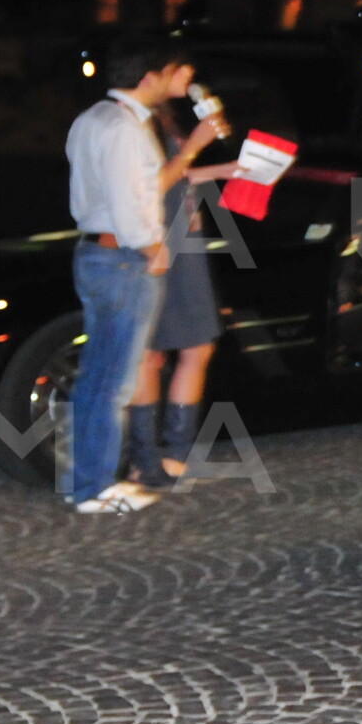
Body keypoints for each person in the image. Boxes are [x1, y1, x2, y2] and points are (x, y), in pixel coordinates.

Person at [63, 42, 217, 515]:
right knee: (113, 382)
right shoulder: (126, 129)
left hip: (97, 251)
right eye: (170, 72)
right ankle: (93, 488)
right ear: (150, 77)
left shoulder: (93, 118)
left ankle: (86, 481)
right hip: (122, 257)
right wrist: (153, 248)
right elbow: (133, 200)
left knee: (98, 378)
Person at [127, 73, 235, 489]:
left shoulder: (161, 116)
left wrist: (224, 168)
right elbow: (148, 187)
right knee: (153, 352)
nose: (190, 78)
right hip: (155, 240)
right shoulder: (131, 122)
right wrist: (195, 145)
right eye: (181, 70)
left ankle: (172, 455)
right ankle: (150, 459)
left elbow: (175, 176)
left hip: (180, 238)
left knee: (193, 346)